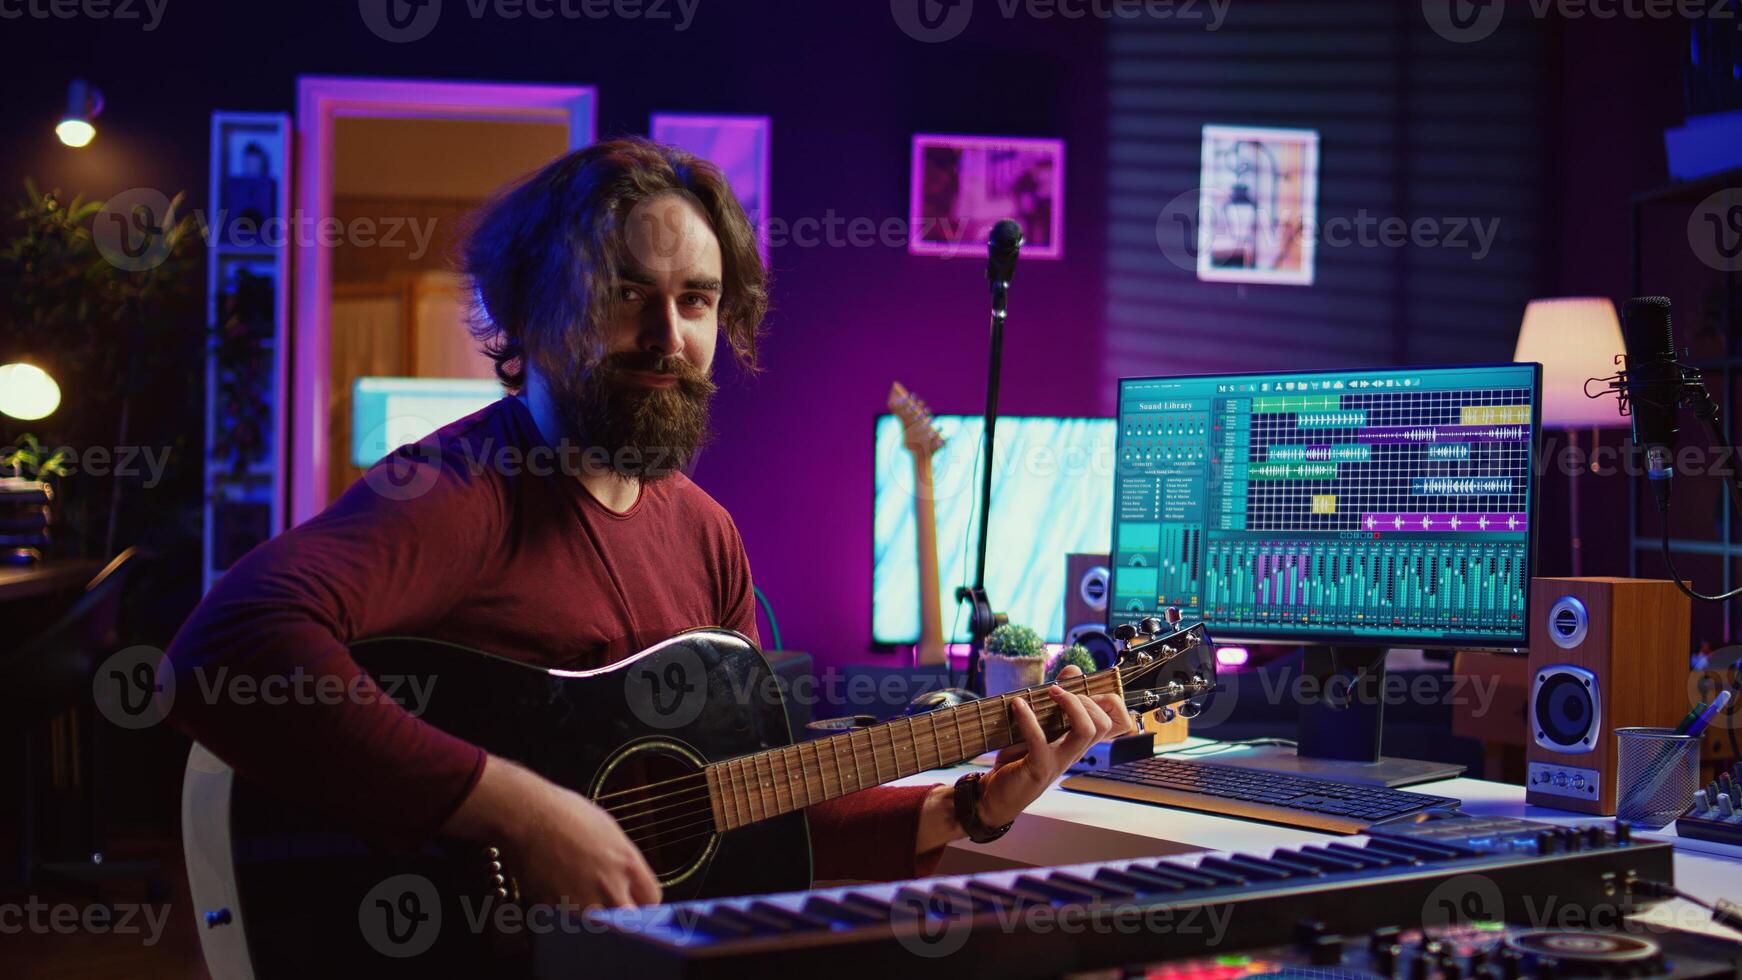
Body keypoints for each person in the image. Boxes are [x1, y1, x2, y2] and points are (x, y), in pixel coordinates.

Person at [165, 136, 1134, 911]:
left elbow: (754, 810)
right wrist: (520, 808)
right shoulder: (457, 492)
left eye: (696, 300)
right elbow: (225, 646)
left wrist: (967, 802)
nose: (666, 335)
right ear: (531, 309)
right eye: (624, 293)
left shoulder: (706, 534)